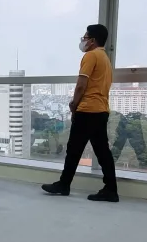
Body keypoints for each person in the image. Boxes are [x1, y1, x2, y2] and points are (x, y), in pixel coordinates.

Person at [42, 24, 119, 202]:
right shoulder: (105, 59)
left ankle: (63, 185)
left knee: (74, 149)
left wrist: (74, 104)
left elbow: (81, 85)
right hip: (101, 110)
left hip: (87, 110)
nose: (83, 41)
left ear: (92, 40)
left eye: (85, 37)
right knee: (103, 152)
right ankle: (111, 189)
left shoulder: (91, 56)